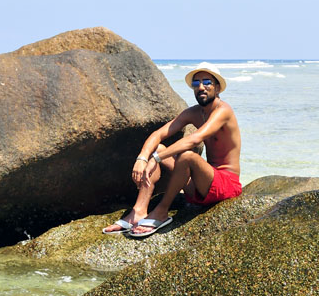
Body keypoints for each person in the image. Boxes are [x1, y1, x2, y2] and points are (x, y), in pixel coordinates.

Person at [102, 62, 242, 238]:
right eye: (196, 83)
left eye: (207, 82)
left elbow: (194, 139)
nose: (201, 87)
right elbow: (159, 134)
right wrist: (143, 158)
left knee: (187, 156)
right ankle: (139, 210)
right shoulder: (194, 113)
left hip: (226, 185)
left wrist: (157, 158)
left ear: (218, 87)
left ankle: (161, 211)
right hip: (202, 185)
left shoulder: (223, 111)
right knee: (158, 147)